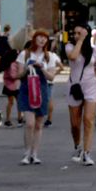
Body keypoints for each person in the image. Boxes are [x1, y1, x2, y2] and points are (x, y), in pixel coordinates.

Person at [15, 29, 60, 165]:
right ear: (34, 39)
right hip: (27, 90)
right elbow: (18, 75)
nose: (42, 40)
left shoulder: (49, 56)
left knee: (39, 124)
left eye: (44, 38)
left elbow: (52, 77)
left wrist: (42, 68)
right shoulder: (25, 54)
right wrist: (27, 69)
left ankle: (35, 153)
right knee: (29, 123)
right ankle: (26, 152)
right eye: (39, 37)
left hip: (42, 90)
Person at [64, 24, 96, 166]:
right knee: (75, 124)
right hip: (74, 87)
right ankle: (77, 146)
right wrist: (81, 40)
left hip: (90, 86)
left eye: (79, 33)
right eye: (75, 33)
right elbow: (73, 57)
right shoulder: (69, 47)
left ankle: (87, 153)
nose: (76, 35)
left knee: (88, 120)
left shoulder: (93, 50)